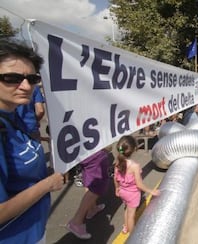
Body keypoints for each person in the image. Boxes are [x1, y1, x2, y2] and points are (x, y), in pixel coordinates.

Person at [0, 39, 64, 243]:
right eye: (12, 77)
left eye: (32, 78)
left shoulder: (12, 115)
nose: (26, 86)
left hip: (34, 230)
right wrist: (47, 184)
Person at [113, 135, 160, 234]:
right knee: (131, 216)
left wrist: (117, 189)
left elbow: (115, 178)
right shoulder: (134, 166)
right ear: (134, 149)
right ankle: (132, 237)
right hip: (132, 195)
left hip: (122, 192)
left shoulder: (118, 162)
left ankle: (125, 227)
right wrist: (151, 191)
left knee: (127, 209)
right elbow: (139, 185)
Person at [66, 147, 113, 239]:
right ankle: (76, 221)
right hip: (93, 150)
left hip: (84, 151)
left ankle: (92, 208)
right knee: (98, 184)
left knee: (89, 175)